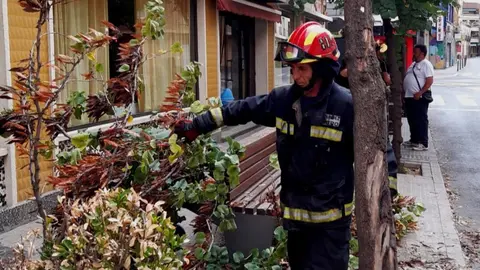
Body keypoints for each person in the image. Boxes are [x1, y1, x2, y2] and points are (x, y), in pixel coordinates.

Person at [175, 22, 397, 269]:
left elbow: (379, 150)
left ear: (323, 68)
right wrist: (199, 124)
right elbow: (242, 109)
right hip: (295, 225)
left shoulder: (345, 107)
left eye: (302, 69)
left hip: (330, 231)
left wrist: (388, 198)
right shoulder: (284, 101)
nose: (295, 76)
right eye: (292, 69)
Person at [403, 44, 434, 151]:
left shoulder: (426, 64)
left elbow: (429, 80)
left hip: (419, 97)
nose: (413, 54)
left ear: (422, 54)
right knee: (412, 120)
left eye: (415, 52)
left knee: (421, 119)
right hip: (409, 97)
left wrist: (420, 93)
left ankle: (423, 142)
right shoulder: (413, 64)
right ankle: (414, 140)